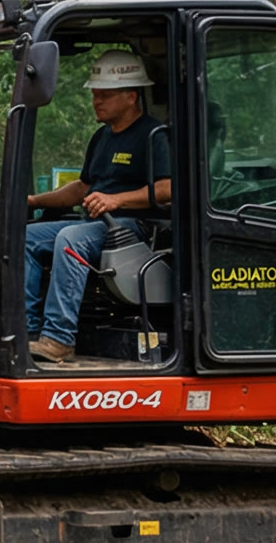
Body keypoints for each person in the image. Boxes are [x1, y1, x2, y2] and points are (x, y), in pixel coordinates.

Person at [21, 49, 173, 366]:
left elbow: (168, 189)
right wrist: (34, 201)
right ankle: (28, 329)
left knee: (72, 240)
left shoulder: (153, 135)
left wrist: (117, 200)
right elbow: (83, 188)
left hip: (135, 226)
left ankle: (59, 339)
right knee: (25, 237)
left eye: (104, 95)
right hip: (96, 222)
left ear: (131, 96)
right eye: (95, 95)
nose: (96, 102)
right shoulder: (101, 137)